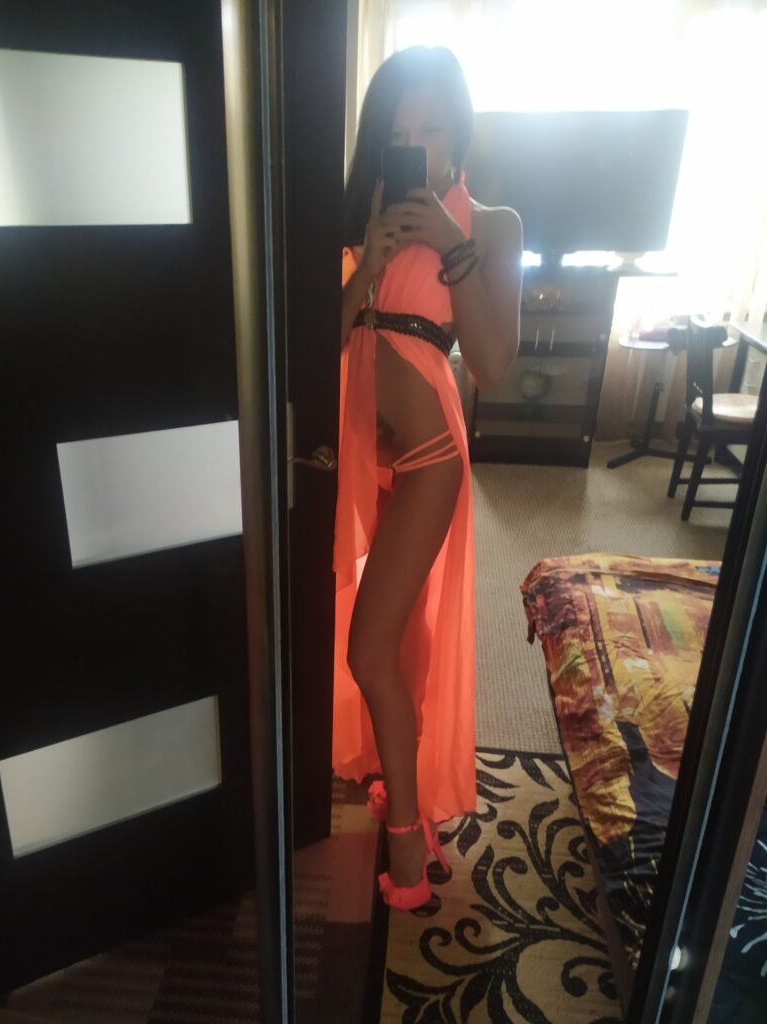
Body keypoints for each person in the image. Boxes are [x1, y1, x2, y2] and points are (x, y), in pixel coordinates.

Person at [333, 45, 522, 911]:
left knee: (366, 649)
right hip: (350, 459)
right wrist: (366, 264)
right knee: (398, 647)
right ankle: (396, 779)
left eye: (432, 129)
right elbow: (313, 348)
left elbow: (492, 366)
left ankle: (408, 848)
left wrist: (454, 246)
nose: (414, 145)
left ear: (459, 134)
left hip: (427, 461)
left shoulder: (492, 224)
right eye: (397, 129)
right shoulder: (356, 215)